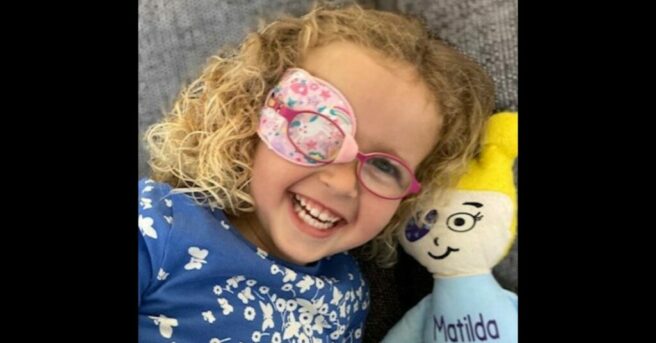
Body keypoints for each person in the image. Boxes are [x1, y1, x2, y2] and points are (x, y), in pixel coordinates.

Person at [139, 3, 494, 342]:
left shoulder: (348, 291)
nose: (342, 183)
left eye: (385, 167)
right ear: (248, 115)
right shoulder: (159, 224)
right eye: (317, 127)